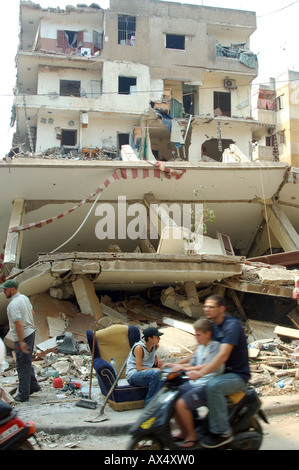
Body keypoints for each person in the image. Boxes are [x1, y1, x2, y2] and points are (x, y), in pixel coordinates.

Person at [187, 295, 250, 449]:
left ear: (222, 309)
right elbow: (200, 349)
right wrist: (178, 365)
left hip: (236, 375)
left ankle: (223, 433)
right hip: (222, 373)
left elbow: (222, 355)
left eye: (211, 307)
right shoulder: (213, 327)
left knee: (213, 386)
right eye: (205, 306)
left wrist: (200, 373)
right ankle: (196, 426)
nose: (206, 309)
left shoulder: (231, 326)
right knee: (184, 386)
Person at [164, 318, 224, 448]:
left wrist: (184, 368)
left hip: (207, 384)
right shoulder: (201, 347)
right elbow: (192, 363)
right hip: (195, 382)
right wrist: (175, 365)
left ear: (208, 334)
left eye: (198, 335)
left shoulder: (215, 347)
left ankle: (192, 435)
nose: (196, 338)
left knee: (181, 404)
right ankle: (184, 431)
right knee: (172, 399)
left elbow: (206, 365)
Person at [0, 279, 40, 402]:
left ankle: (23, 394)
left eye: (5, 290)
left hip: (23, 336)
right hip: (31, 332)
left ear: (12, 289)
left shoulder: (13, 305)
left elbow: (18, 324)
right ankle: (33, 386)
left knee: (22, 365)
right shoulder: (24, 298)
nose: (4, 292)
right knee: (26, 362)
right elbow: (32, 313)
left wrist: (21, 341)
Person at [126, 326, 164, 405]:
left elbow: (152, 354)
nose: (159, 339)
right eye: (157, 337)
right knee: (157, 373)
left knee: (167, 371)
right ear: (150, 338)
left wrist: (157, 357)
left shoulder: (155, 346)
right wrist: (155, 369)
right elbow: (139, 368)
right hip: (134, 375)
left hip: (146, 373)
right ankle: (149, 403)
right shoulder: (139, 348)